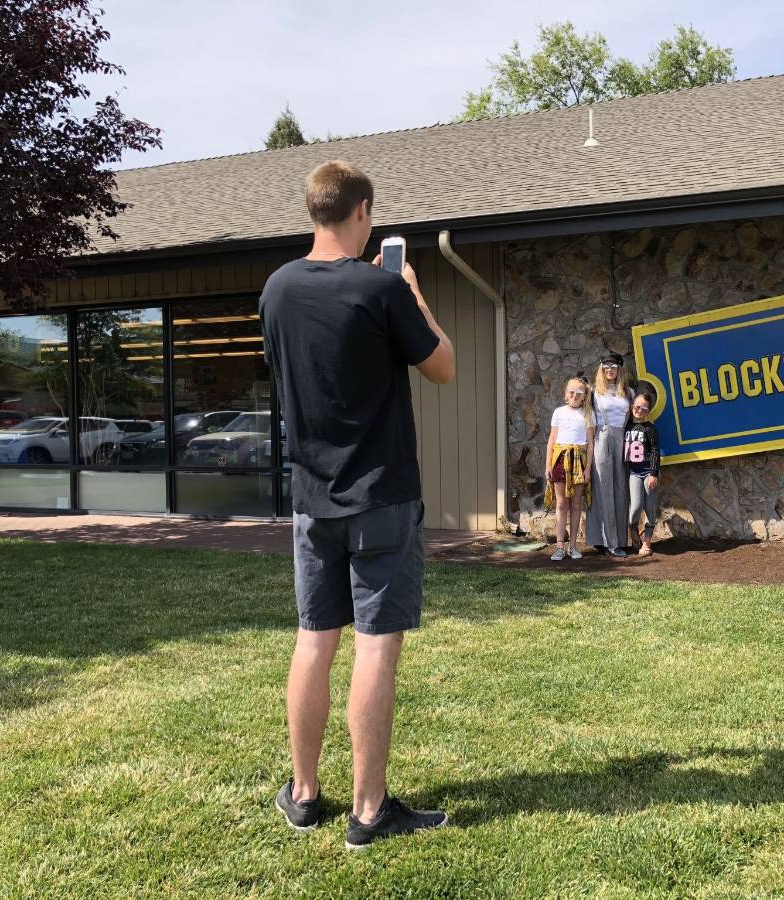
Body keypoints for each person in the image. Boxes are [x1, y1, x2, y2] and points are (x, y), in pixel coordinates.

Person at [260, 160, 455, 850]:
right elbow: (442, 365)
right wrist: (411, 293)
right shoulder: (382, 289)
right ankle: (369, 811)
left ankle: (305, 794)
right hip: (382, 495)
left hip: (313, 498)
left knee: (315, 641)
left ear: (314, 210)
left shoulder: (277, 290)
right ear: (363, 210)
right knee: (376, 645)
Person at [585, 352, 633, 557]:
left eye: (613, 367)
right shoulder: (594, 393)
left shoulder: (628, 392)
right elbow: (588, 422)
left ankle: (619, 540)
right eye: (606, 368)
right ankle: (603, 540)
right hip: (601, 438)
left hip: (622, 437)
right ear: (601, 370)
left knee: (620, 488)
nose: (610, 371)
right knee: (602, 487)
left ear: (619, 369)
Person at [544, 376, 595, 561]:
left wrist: (588, 469)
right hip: (560, 460)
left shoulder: (588, 414)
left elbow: (590, 444)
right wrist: (548, 464)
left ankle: (573, 546)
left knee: (575, 505)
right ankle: (559, 546)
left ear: (584, 396)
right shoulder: (558, 412)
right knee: (561, 504)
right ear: (566, 394)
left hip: (579, 462)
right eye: (571, 392)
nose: (574, 396)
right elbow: (552, 440)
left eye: (579, 393)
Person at [623, 389, 661, 556]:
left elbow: (654, 451)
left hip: (648, 472)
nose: (639, 410)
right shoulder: (627, 426)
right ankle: (633, 533)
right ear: (632, 406)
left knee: (650, 509)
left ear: (648, 411)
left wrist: (654, 473)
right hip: (634, 473)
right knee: (635, 507)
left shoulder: (650, 428)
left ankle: (647, 543)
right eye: (637, 407)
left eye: (644, 408)